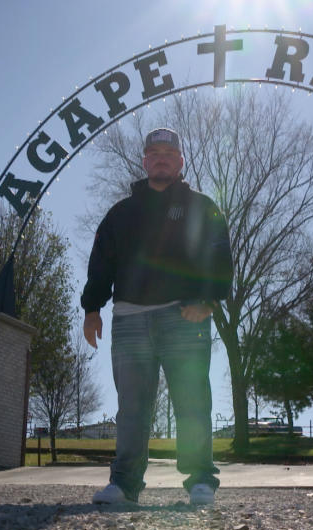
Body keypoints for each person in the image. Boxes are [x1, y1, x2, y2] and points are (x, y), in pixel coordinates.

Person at [81, 127, 233, 505]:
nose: (161, 157)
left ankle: (200, 481)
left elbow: (219, 255)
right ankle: (125, 485)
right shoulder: (120, 213)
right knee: (131, 407)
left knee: (192, 400)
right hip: (129, 319)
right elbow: (101, 262)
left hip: (185, 319)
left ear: (181, 161)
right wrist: (91, 308)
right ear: (144, 160)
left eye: (169, 152)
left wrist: (210, 300)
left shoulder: (202, 206)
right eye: (154, 152)